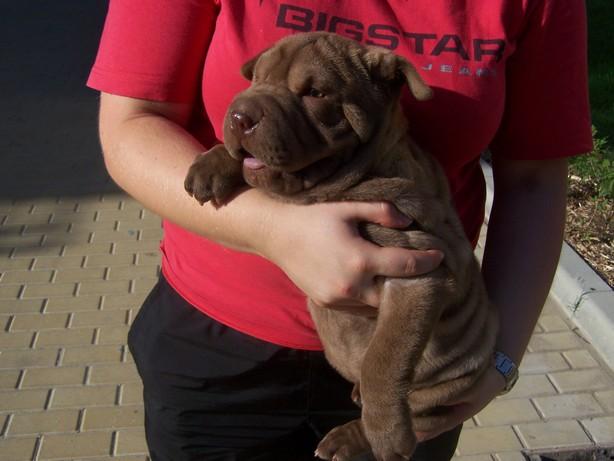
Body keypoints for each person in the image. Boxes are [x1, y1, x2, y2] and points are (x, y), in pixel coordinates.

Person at [87, 1, 592, 460]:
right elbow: (132, 124)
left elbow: (532, 181)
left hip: (417, 363)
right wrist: (273, 230)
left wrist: (499, 362)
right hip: (218, 351)